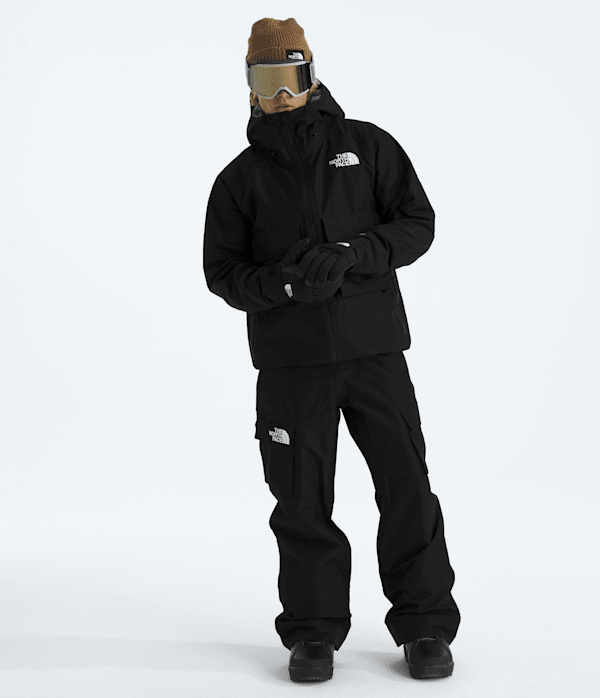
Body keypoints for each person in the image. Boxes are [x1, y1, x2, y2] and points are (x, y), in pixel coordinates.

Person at [203, 17, 461, 683]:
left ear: (311, 74)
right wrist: (287, 282)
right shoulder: (238, 181)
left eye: (290, 76)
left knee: (406, 484)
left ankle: (425, 625)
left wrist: (355, 253)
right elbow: (222, 274)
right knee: (300, 498)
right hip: (290, 367)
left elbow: (417, 223)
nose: (280, 94)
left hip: (375, 354)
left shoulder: (367, 147)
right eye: (266, 80)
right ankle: (313, 632)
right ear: (250, 86)